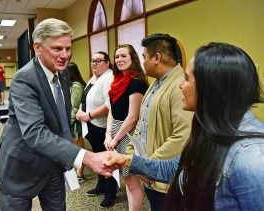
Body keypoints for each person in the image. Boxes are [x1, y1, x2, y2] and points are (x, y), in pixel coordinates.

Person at [106, 42, 264, 210]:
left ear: (210, 87)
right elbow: (178, 167)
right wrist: (128, 160)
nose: (181, 84)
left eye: (187, 79)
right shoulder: (211, 129)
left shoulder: (252, 158)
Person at [0, 18, 113, 211]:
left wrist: (68, 159)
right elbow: (34, 132)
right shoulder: (24, 79)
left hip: (53, 163)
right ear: (38, 48)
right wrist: (86, 157)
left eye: (68, 48)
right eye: (57, 49)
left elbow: (61, 121)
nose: (65, 55)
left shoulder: (62, 74)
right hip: (21, 166)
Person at [126, 33, 193, 210]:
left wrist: (149, 166)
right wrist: (132, 152)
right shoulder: (155, 84)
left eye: (144, 57)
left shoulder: (180, 86)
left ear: (157, 58)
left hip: (165, 178)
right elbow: (142, 122)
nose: (143, 62)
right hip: (151, 173)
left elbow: (182, 136)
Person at [104, 44, 148, 210]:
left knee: (131, 181)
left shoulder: (136, 82)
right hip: (115, 133)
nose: (119, 59)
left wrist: (114, 139)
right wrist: (108, 135)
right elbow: (112, 111)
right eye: (117, 57)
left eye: (124, 56)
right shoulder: (117, 81)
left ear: (133, 58)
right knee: (127, 180)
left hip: (128, 134)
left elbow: (132, 118)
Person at [76, 51, 117, 208]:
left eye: (98, 61)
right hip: (91, 125)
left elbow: (109, 105)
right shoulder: (95, 78)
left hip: (101, 126)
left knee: (107, 162)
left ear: (107, 63)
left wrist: (89, 115)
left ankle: (110, 193)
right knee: (96, 158)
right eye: (92, 61)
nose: (94, 64)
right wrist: (81, 111)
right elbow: (86, 98)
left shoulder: (109, 77)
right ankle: (101, 186)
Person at [66, 62, 87, 181]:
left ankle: (80, 173)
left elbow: (74, 107)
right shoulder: (69, 85)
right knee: (72, 149)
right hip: (71, 121)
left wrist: (67, 123)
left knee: (79, 149)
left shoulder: (76, 86)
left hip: (75, 123)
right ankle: (75, 172)